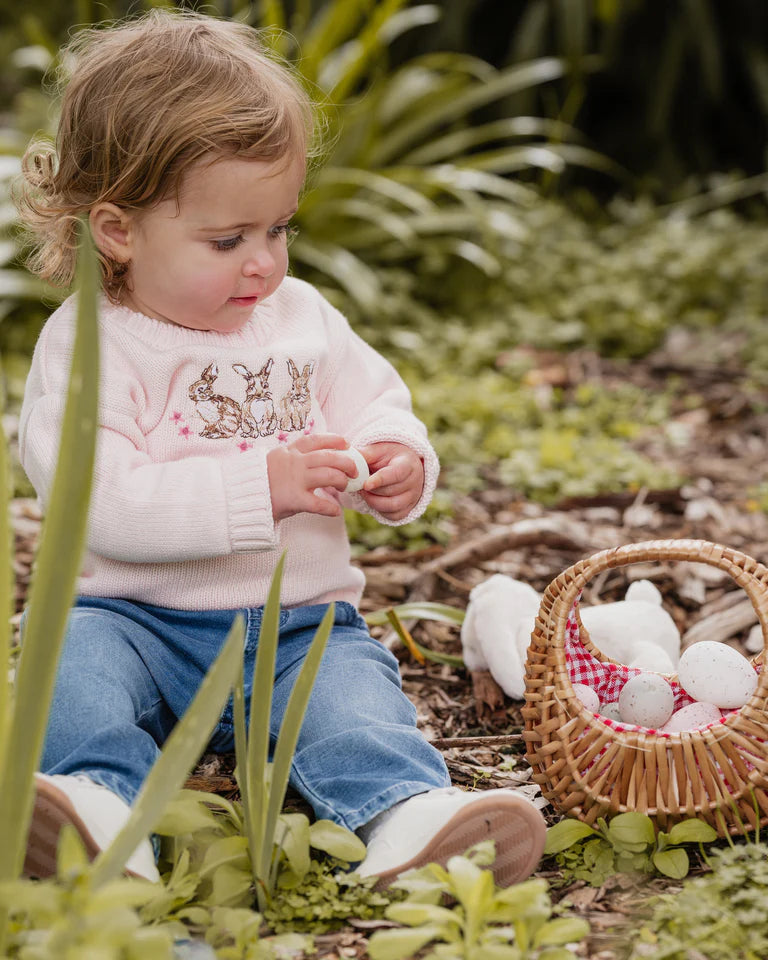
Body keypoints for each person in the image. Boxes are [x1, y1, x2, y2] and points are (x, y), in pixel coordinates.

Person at [15, 10, 546, 888]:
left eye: (279, 229)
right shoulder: (92, 345)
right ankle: (99, 815)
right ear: (116, 230)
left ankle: (407, 817)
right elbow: (93, 501)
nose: (264, 263)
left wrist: (395, 457)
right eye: (228, 241)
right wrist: (256, 487)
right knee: (73, 672)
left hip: (297, 621)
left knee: (355, 701)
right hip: (135, 617)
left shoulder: (299, 319)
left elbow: (377, 399)